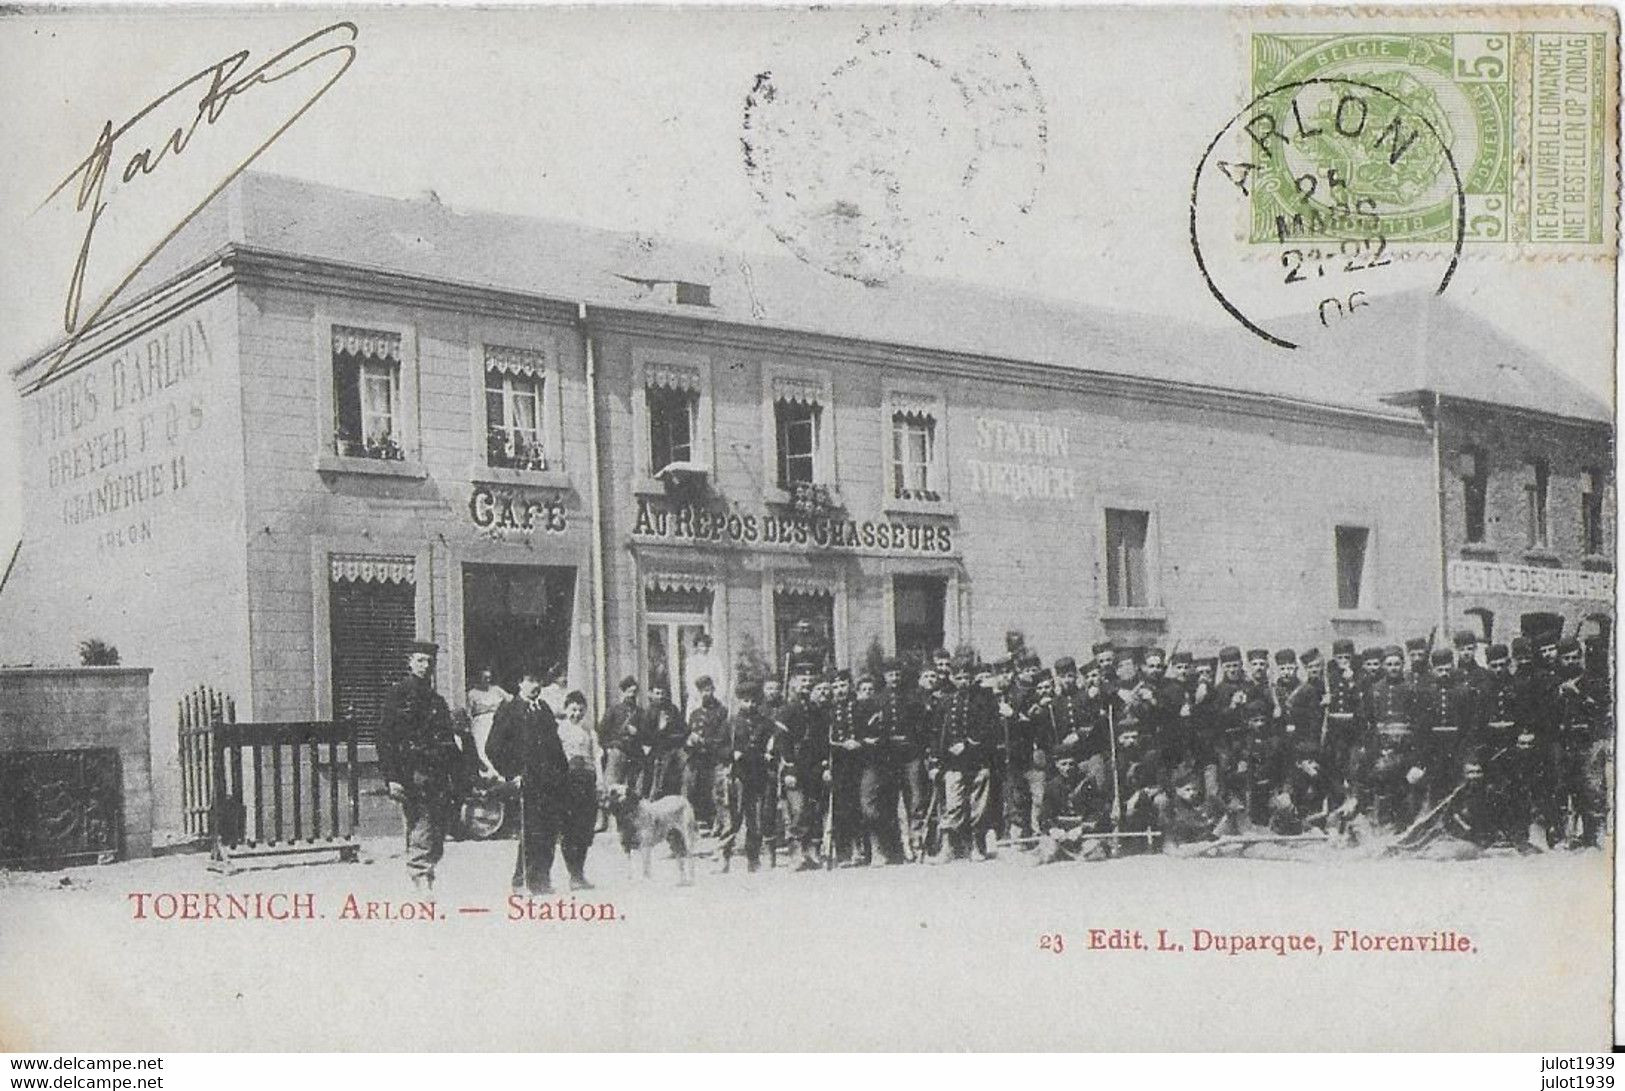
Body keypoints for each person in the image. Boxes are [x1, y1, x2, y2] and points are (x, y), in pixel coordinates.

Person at [379, 641, 464, 892]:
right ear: (410, 662)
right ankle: (421, 877)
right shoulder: (398, 695)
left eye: (429, 662)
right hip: (412, 771)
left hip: (438, 772)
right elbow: (385, 738)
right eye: (420, 661)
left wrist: (459, 772)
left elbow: (448, 740)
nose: (425, 666)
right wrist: (392, 777)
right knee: (422, 823)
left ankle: (425, 874)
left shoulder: (436, 700)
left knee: (437, 829)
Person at [487, 671, 569, 895]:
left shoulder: (544, 709)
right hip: (527, 780)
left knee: (549, 830)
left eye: (539, 681)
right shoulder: (510, 709)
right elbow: (493, 747)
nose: (535, 686)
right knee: (530, 830)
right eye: (531, 681)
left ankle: (542, 879)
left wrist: (563, 774)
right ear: (520, 682)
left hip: (550, 780)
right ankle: (522, 881)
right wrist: (512, 773)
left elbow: (556, 747)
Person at [718, 680, 775, 872]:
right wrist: (731, 753)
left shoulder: (765, 723)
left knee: (755, 819)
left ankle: (753, 858)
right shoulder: (731, 723)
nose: (750, 705)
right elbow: (719, 747)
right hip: (738, 777)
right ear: (739, 701)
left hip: (758, 776)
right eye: (746, 701)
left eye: (753, 701)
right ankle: (724, 857)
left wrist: (769, 753)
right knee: (733, 818)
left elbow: (772, 745)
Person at [554, 690, 601, 889]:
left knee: (584, 829)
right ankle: (573, 874)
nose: (577, 714)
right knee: (569, 829)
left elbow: (596, 758)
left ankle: (579, 873)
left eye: (581, 710)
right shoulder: (559, 731)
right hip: (567, 783)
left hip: (587, 782)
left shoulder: (590, 732)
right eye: (573, 710)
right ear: (566, 709)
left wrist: (599, 782)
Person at [684, 675, 728, 832]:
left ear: (713, 690)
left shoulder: (721, 711)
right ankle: (700, 822)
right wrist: (689, 742)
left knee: (716, 792)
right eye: (702, 691)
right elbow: (688, 734)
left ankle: (718, 823)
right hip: (697, 759)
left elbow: (722, 737)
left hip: (714, 758)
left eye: (708, 690)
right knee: (694, 789)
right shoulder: (694, 714)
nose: (705, 694)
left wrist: (703, 741)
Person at [597, 676, 645, 789]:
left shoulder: (641, 713)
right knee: (611, 787)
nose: (632, 695)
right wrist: (608, 748)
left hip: (635, 754)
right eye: (629, 692)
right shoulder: (614, 710)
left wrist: (637, 733)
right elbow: (601, 731)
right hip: (618, 751)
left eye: (634, 692)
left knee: (635, 789)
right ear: (623, 692)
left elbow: (647, 736)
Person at [464, 666, 509, 778]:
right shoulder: (472, 693)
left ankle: (500, 773)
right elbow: (469, 711)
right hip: (480, 723)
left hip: (496, 721)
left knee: (496, 745)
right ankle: (489, 774)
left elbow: (510, 700)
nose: (487, 680)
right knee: (482, 747)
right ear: (479, 678)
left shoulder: (496, 690)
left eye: (489, 678)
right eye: (484, 678)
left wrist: (499, 709)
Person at [686, 632, 725, 714]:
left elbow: (721, 679)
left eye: (706, 646)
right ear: (696, 646)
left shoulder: (715, 660)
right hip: (697, 698)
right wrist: (698, 696)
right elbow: (689, 681)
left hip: (713, 695)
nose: (704, 649)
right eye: (701, 646)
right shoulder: (691, 661)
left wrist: (717, 694)